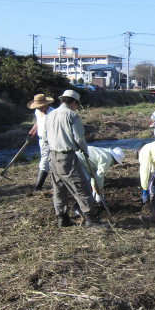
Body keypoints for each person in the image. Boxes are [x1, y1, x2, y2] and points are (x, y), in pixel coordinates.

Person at [43, 89, 104, 228]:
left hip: (52, 157)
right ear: (74, 102)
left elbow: (45, 138)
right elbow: (79, 138)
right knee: (81, 187)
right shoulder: (71, 115)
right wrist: (84, 150)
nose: (77, 106)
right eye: (77, 104)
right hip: (66, 157)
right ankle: (91, 219)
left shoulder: (50, 115)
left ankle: (62, 219)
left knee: (59, 189)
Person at [27, 93, 55, 192]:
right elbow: (38, 122)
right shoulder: (37, 112)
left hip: (51, 140)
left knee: (45, 160)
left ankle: (38, 187)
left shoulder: (53, 113)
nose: (40, 109)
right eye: (38, 107)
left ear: (46, 104)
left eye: (41, 107)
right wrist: (31, 133)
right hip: (41, 139)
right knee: (47, 160)